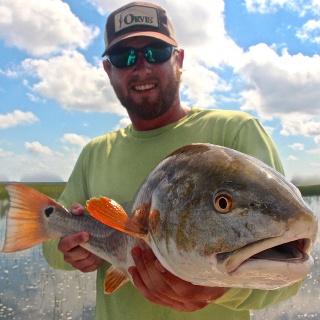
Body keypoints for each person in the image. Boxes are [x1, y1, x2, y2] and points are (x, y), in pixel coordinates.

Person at [42, 2, 301, 319]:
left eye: (156, 52)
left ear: (178, 59)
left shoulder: (234, 131)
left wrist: (219, 288)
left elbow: (291, 269)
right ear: (109, 70)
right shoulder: (95, 152)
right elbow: (47, 243)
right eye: (124, 57)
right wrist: (70, 250)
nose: (141, 67)